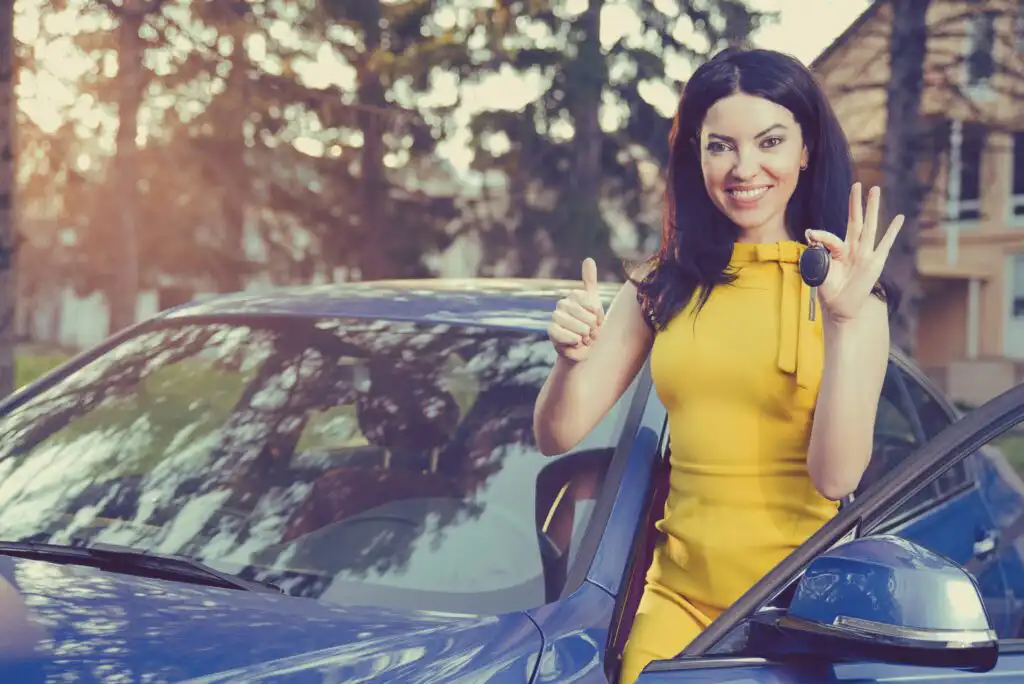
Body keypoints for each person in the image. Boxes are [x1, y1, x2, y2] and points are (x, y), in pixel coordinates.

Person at [531, 47, 903, 684]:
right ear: (695, 155)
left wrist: (841, 325)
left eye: (769, 142)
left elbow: (835, 475)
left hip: (794, 618)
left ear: (806, 149)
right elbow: (555, 435)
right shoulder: (663, 283)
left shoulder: (849, 296)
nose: (743, 168)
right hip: (673, 608)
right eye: (720, 146)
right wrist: (569, 362)